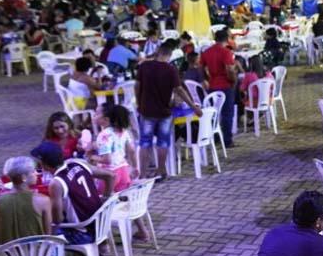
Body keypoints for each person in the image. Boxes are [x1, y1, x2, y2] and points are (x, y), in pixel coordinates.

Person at [136, 42, 202, 180]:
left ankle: (142, 174)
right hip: (165, 111)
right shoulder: (171, 70)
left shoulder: (144, 67)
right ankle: (160, 170)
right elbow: (179, 90)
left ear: (158, 52)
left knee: (145, 142)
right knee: (163, 142)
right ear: (169, 55)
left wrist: (138, 102)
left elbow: (137, 86)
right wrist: (193, 106)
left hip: (146, 110)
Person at [32, 141, 114, 245]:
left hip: (83, 233)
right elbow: (111, 176)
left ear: (44, 164)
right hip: (101, 224)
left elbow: (57, 219)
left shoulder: (56, 183)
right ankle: (101, 248)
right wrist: (105, 199)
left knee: (40, 230)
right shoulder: (78, 164)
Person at [201, 29, 239, 148]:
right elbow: (229, 69)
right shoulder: (226, 52)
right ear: (227, 39)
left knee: (214, 113)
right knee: (227, 113)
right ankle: (227, 140)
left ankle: (216, 137)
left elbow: (201, 66)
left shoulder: (207, 52)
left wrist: (205, 79)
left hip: (212, 85)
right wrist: (233, 81)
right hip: (225, 85)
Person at [90, 103, 138, 193]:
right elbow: (132, 151)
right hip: (124, 171)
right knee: (122, 201)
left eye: (97, 113)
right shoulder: (123, 131)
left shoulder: (104, 135)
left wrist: (92, 157)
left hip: (108, 174)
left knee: (105, 202)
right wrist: (135, 167)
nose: (94, 115)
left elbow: (107, 160)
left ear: (106, 119)